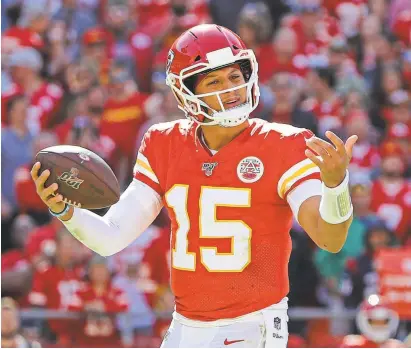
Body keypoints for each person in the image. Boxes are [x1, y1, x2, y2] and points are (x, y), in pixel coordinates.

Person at [31, 24, 357, 348]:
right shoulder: (164, 143)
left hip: (252, 323)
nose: (230, 89)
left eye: (234, 76)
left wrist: (335, 186)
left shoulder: (285, 144)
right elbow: (111, 236)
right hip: (186, 325)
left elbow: (330, 238)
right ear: (185, 91)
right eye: (213, 81)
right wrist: (64, 209)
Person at [340, 295, 404, 348]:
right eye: (374, 322)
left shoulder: (397, 346)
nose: (379, 326)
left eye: (383, 322)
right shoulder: (352, 345)